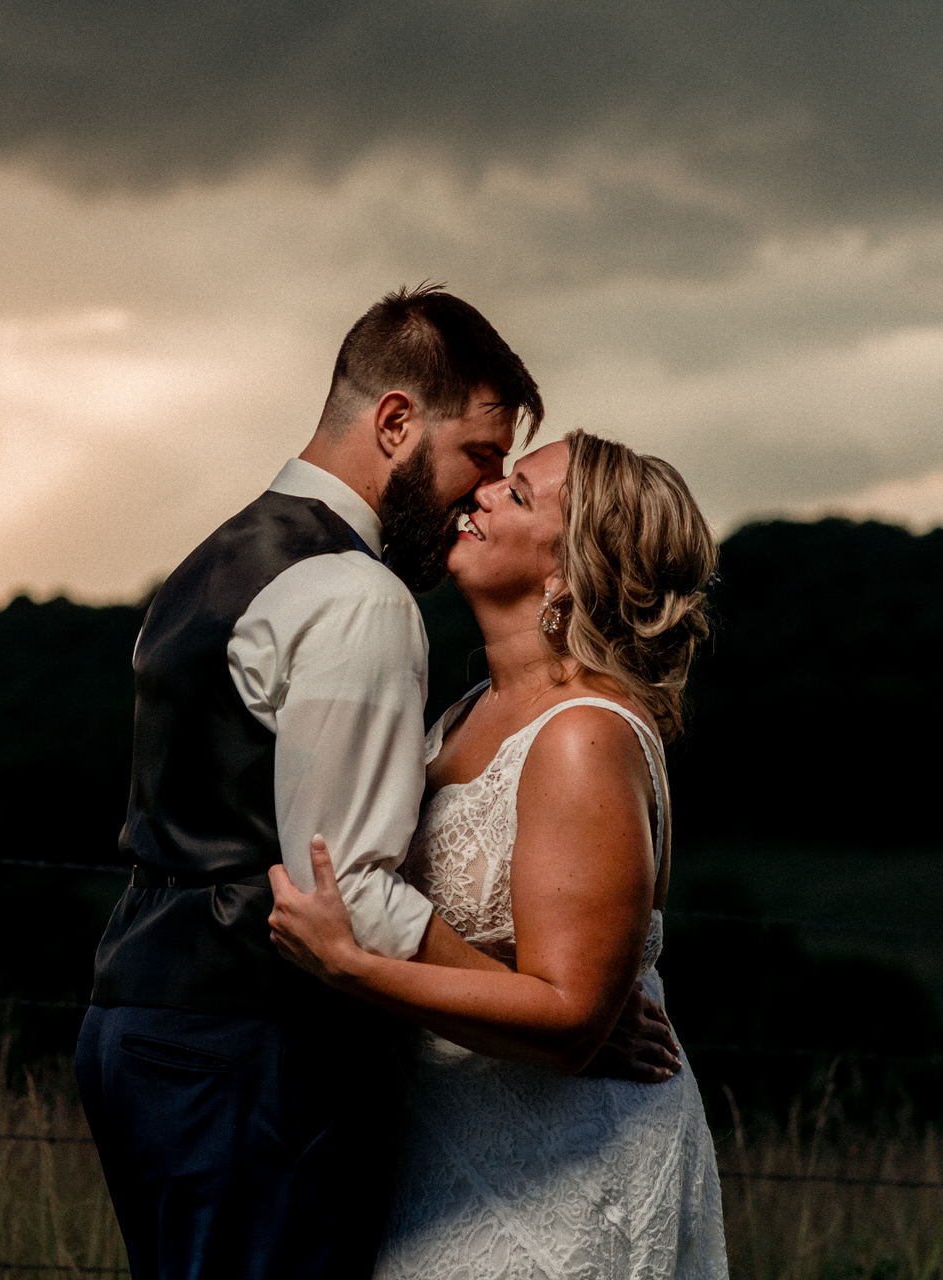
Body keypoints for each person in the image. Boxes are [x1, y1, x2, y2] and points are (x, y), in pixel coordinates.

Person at [74, 287, 678, 1280]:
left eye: (506, 478)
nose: (476, 494)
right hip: (253, 1044)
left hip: (132, 1017)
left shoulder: (206, 565)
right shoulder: (358, 594)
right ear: (396, 420)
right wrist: (562, 1018)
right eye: (480, 458)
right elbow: (348, 887)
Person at [269, 429, 730, 1278]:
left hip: (565, 1167)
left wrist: (351, 969)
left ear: (569, 570)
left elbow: (568, 1028)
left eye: (515, 493)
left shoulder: (582, 736)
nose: (478, 495)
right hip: (448, 1146)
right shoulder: (467, 709)